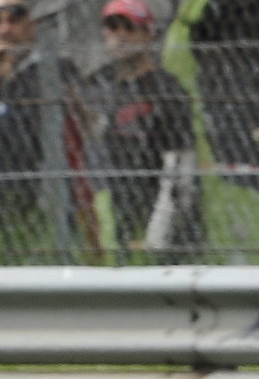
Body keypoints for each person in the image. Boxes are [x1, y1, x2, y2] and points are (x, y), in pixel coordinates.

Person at [0, 0, 95, 262]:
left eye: (15, 18)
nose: (5, 29)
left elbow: (89, 124)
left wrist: (12, 72)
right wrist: (0, 72)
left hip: (46, 202)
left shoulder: (56, 71)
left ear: (32, 26)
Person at [86, 0, 204, 263]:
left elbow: (179, 163)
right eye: (113, 27)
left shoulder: (167, 89)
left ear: (148, 34)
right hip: (110, 199)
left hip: (155, 201)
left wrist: (160, 228)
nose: (120, 35)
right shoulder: (97, 84)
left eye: (129, 27)